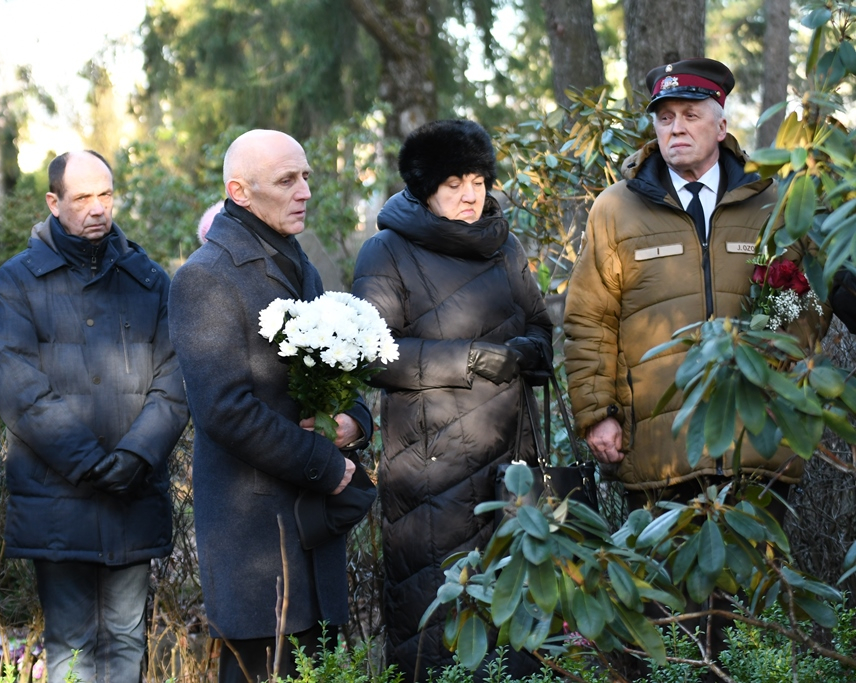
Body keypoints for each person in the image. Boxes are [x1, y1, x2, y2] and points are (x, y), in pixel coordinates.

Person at [350, 119, 553, 681]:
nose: (470, 194)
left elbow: (540, 328)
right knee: (440, 628)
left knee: (520, 625)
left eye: (479, 180)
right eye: (454, 182)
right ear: (423, 188)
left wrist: (525, 352)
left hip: (512, 464)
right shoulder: (384, 251)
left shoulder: (503, 244)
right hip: (430, 472)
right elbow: (372, 352)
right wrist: (469, 359)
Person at [168, 129, 374, 683]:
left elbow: (331, 368)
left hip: (309, 524)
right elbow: (224, 410)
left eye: (306, 176)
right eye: (287, 180)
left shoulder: (296, 261)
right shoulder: (204, 278)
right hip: (254, 533)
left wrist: (355, 419)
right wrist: (326, 464)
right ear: (240, 191)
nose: (304, 190)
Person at [564, 58, 810, 509]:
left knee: (757, 582)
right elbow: (589, 321)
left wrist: (774, 374)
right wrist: (600, 416)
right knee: (664, 583)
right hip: (660, 456)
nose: (675, 128)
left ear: (720, 127)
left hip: (758, 448)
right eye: (664, 117)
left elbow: (802, 301)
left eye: (690, 115)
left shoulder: (773, 203)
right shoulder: (615, 209)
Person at [0, 150, 189, 683]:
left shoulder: (148, 279)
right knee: (71, 642)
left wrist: (135, 455)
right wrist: (90, 463)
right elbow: (17, 386)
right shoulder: (18, 280)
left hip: (134, 489)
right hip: (58, 494)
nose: (98, 208)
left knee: (126, 637)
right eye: (82, 197)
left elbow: (175, 379)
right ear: (54, 203)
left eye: (105, 194)